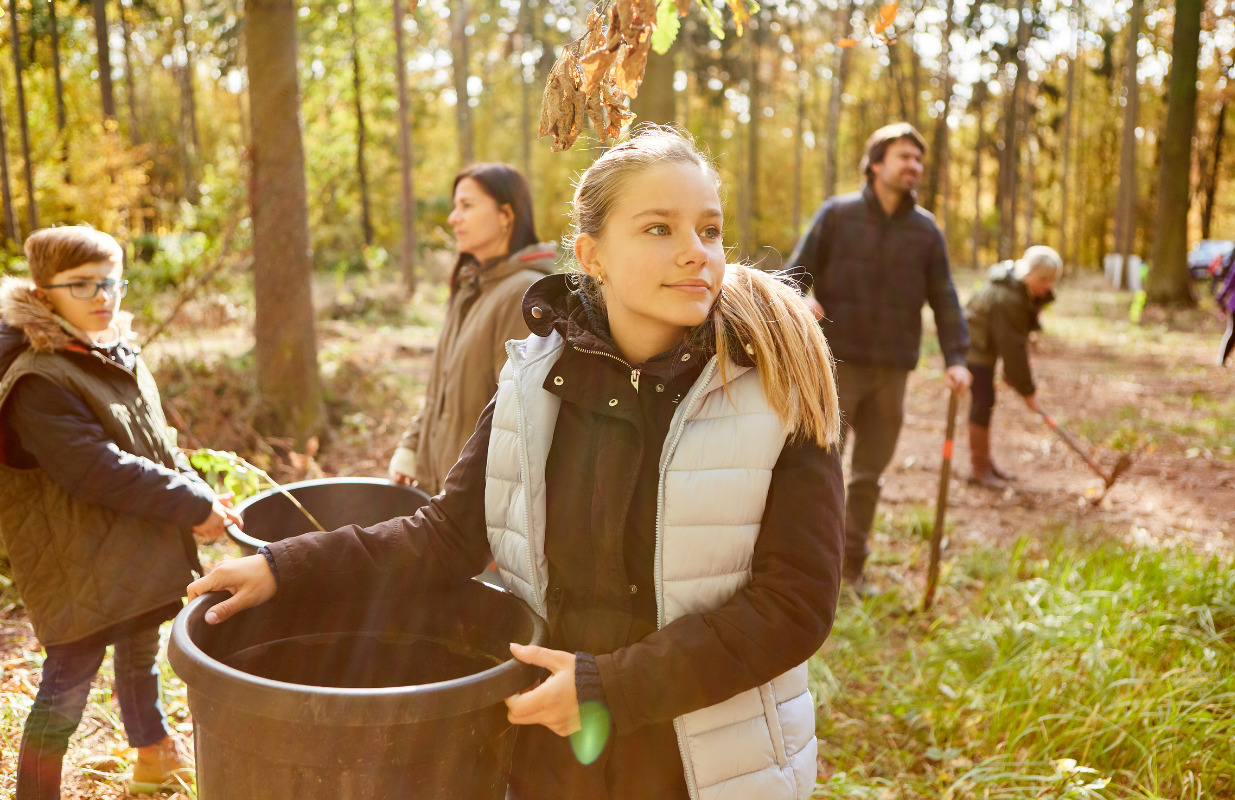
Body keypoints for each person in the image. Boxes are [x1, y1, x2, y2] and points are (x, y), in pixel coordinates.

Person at [188, 127, 845, 800]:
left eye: (709, 230)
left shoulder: (778, 387)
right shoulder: (530, 385)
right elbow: (444, 538)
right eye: (658, 229)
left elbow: (794, 604)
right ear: (593, 255)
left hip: (708, 768)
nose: (696, 254)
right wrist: (284, 568)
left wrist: (607, 688)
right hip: (551, 762)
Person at [0, 226, 243, 799]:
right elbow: (96, 467)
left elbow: (155, 443)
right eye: (81, 284)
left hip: (131, 543)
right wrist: (189, 503)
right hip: (75, 559)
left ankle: (154, 757)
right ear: (43, 290)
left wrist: (199, 490)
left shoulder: (107, 351)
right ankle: (36, 793)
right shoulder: (38, 377)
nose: (102, 296)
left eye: (110, 281)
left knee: (141, 654)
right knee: (66, 688)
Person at [786, 122, 970, 591]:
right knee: (819, 468)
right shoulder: (837, 215)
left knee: (869, 474)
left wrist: (956, 358)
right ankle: (809, 567)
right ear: (875, 163)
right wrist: (798, 302)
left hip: (892, 370)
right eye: (905, 156)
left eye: (918, 160)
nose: (915, 167)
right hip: (835, 366)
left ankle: (852, 567)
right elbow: (789, 277)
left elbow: (945, 297)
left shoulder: (926, 231)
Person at [389, 163, 556, 494]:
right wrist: (411, 447)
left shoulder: (522, 294)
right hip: (442, 495)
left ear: (506, 215)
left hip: (477, 506)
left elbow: (516, 416)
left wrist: (461, 500)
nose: (453, 218)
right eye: (455, 207)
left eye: (466, 206)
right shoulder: (470, 286)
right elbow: (443, 388)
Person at [963, 246, 1062, 488]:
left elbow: (1013, 339)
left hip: (987, 343)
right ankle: (979, 468)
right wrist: (1028, 391)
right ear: (1028, 275)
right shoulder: (1007, 298)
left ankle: (986, 464)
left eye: (1052, 280)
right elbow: (1013, 349)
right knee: (983, 400)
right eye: (1044, 280)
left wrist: (1014, 374)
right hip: (971, 345)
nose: (1049, 286)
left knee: (986, 401)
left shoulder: (1021, 290)